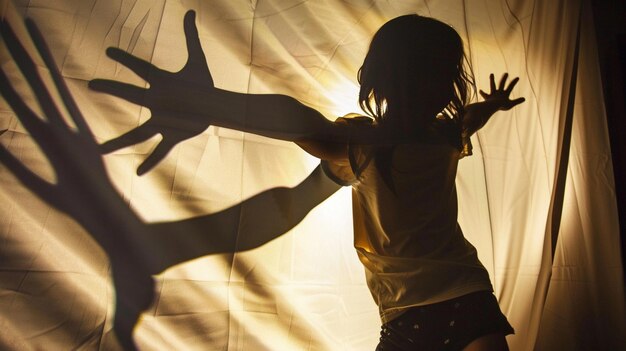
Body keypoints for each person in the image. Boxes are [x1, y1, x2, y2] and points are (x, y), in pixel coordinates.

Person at [90, 11, 525, 351]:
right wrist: (211, 103)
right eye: (432, 74)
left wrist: (490, 107)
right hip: (412, 318)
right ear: (393, 80)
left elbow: (468, 119)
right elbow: (299, 120)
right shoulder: (365, 144)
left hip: (468, 300)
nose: (441, 88)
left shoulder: (443, 135)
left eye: (445, 75)